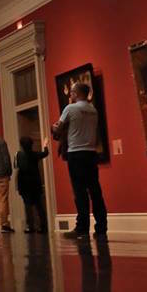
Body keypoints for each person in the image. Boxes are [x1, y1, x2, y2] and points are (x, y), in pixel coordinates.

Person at [53, 82, 107, 239]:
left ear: (76, 94)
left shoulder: (70, 108)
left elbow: (58, 128)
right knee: (95, 191)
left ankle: (82, 228)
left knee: (80, 192)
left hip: (76, 154)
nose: (70, 94)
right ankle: (101, 228)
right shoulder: (93, 110)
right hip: (91, 153)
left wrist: (53, 127)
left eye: (72, 92)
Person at [15, 137, 49, 233]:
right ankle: (43, 226)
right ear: (31, 145)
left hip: (24, 183)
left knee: (27, 206)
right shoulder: (35, 154)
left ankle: (30, 226)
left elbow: (16, 166)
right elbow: (45, 153)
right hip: (35, 183)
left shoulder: (19, 155)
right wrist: (45, 145)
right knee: (39, 206)